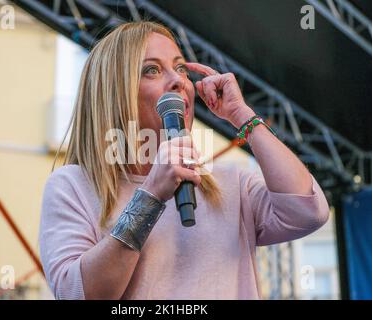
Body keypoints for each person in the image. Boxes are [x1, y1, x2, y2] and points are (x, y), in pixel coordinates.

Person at [39, 21, 330, 300]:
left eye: (180, 68)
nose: (178, 80)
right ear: (114, 92)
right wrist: (151, 196)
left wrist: (242, 116)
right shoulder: (74, 185)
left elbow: (308, 211)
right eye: (151, 70)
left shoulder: (233, 184)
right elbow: (78, 294)